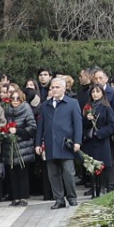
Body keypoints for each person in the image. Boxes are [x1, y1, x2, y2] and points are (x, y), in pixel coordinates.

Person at [36, 75, 84, 206]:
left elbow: (78, 124)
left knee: (68, 172)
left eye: (57, 87)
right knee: (53, 174)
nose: (54, 90)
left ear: (64, 88)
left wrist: (77, 141)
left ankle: (72, 197)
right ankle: (59, 199)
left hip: (66, 143)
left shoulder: (72, 103)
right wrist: (38, 143)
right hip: (51, 143)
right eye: (52, 87)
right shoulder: (45, 105)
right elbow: (40, 125)